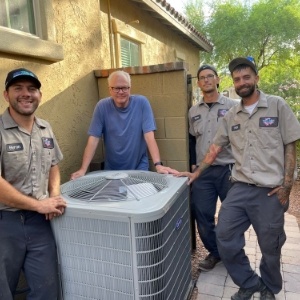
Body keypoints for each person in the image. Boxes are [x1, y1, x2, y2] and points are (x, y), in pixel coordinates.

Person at [178, 57, 300, 300]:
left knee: (270, 245)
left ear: (256, 78)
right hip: (240, 187)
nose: (242, 82)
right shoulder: (232, 114)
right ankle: (249, 282)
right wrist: (196, 173)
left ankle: (270, 287)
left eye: (246, 77)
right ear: (233, 82)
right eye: (237, 79)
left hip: (270, 190)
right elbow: (213, 149)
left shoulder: (277, 105)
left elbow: (290, 145)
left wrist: (287, 185)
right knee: (224, 235)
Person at [0, 68, 67, 300]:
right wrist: (39, 205)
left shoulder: (45, 128)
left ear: (39, 94)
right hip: (5, 223)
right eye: (18, 88)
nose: (26, 94)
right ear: (6, 95)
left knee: (47, 290)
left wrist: (54, 196)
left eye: (32, 89)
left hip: (40, 225)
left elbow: (53, 165)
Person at [71, 70, 178, 179]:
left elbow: (149, 137)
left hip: (139, 169)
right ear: (110, 89)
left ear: (130, 88)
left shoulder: (142, 103)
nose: (121, 92)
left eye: (124, 87)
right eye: (117, 88)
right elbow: (93, 139)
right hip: (112, 171)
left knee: (140, 195)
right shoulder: (102, 107)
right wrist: (83, 169)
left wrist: (158, 165)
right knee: (115, 195)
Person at [189, 64, 238, 271]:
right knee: (202, 214)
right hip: (203, 172)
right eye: (202, 77)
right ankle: (215, 253)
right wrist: (193, 164)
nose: (207, 80)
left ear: (218, 80)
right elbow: (192, 139)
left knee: (233, 216)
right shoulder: (193, 111)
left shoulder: (234, 106)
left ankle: (233, 253)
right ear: (199, 83)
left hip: (228, 170)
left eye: (210, 76)